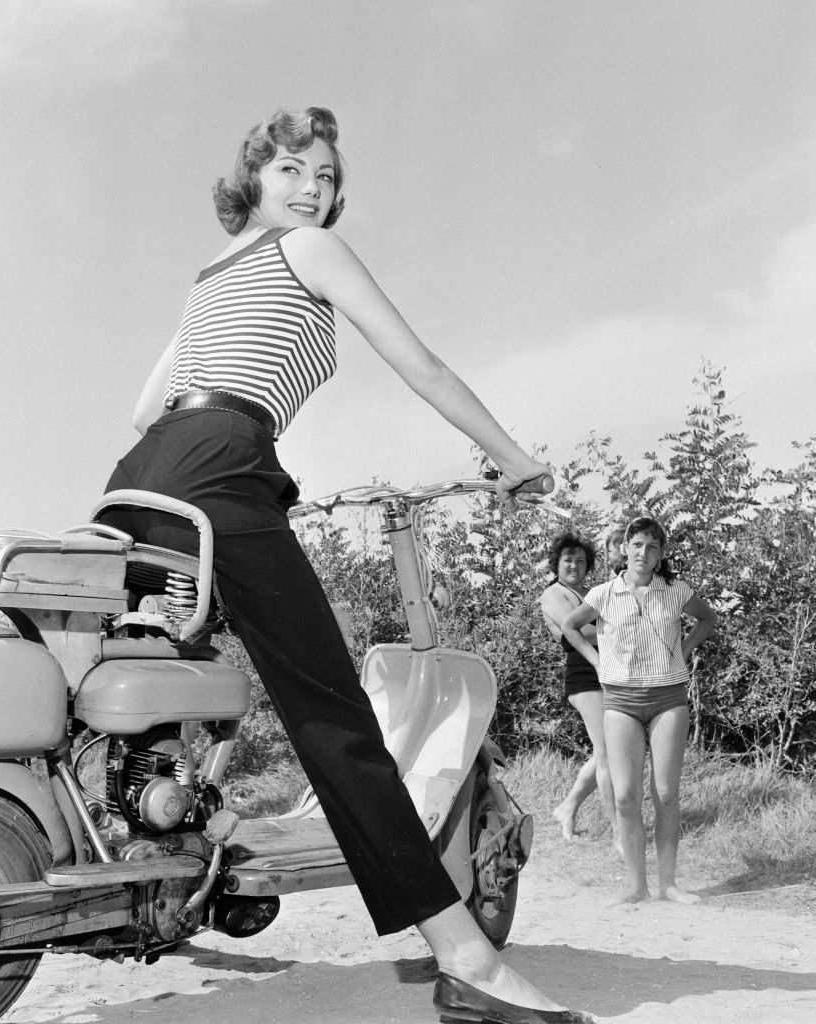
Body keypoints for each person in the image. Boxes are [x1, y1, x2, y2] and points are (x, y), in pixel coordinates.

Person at [102, 107, 590, 1023]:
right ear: (255, 176)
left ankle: (157, 855)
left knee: (158, 683)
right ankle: (465, 960)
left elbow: (144, 412)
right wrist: (514, 458)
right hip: (224, 470)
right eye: (294, 169)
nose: (315, 192)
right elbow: (423, 364)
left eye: (326, 180)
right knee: (332, 717)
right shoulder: (310, 251)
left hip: (137, 482)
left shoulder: (206, 277)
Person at [561, 517, 717, 906]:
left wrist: (682, 652)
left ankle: (668, 885)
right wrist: (596, 661)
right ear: (624, 548)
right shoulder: (602, 593)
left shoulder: (677, 591)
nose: (642, 553)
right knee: (626, 796)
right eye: (636, 545)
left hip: (668, 699)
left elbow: (708, 619)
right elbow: (570, 625)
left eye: (651, 547)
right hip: (620, 702)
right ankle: (636, 886)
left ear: (661, 554)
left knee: (665, 792)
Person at [538, 533, 618, 849]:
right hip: (584, 673)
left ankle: (567, 807)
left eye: (581, 561)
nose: (574, 565)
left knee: (605, 752)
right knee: (609, 753)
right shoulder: (553, 594)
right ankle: (618, 831)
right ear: (557, 563)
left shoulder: (589, 592)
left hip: (611, 669)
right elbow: (581, 629)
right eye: (568, 559)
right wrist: (609, 620)